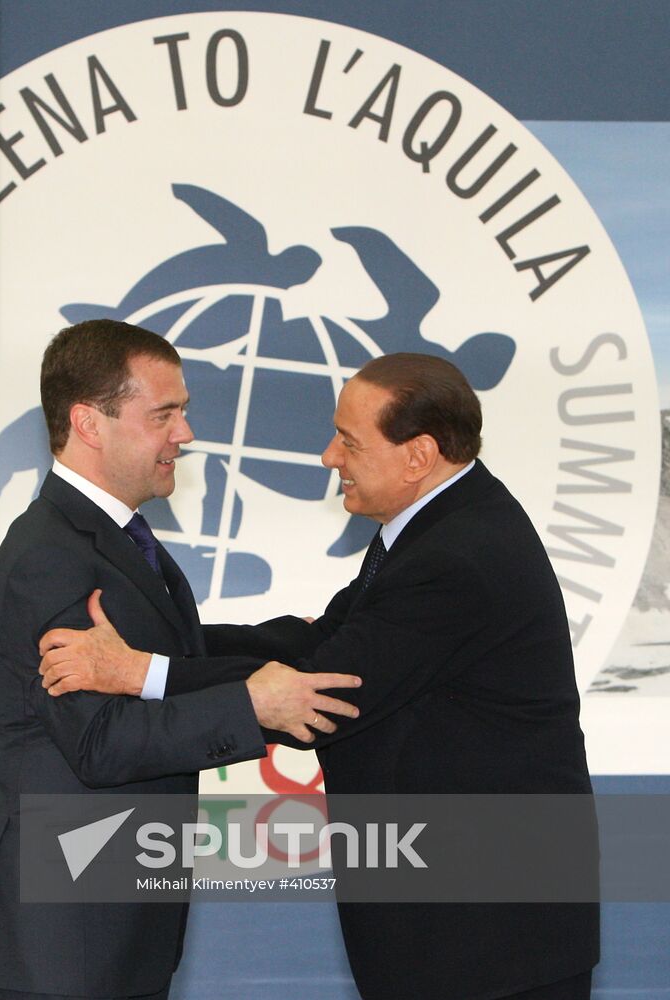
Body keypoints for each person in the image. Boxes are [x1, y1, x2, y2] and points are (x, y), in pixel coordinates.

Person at [39, 352, 600, 1000]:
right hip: (463, 925)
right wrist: (159, 641)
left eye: (349, 441)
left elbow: (317, 691)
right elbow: (313, 638)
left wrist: (142, 672)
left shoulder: (457, 557)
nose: (329, 456)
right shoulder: (442, 524)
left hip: (488, 939)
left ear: (417, 456)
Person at [0, 319, 362, 1000]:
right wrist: (253, 706)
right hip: (69, 937)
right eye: (163, 414)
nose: (186, 434)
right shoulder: (50, 557)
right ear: (89, 422)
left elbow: (172, 657)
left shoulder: (113, 539)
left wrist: (305, 640)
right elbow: (99, 740)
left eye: (185, 412)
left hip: (115, 922)